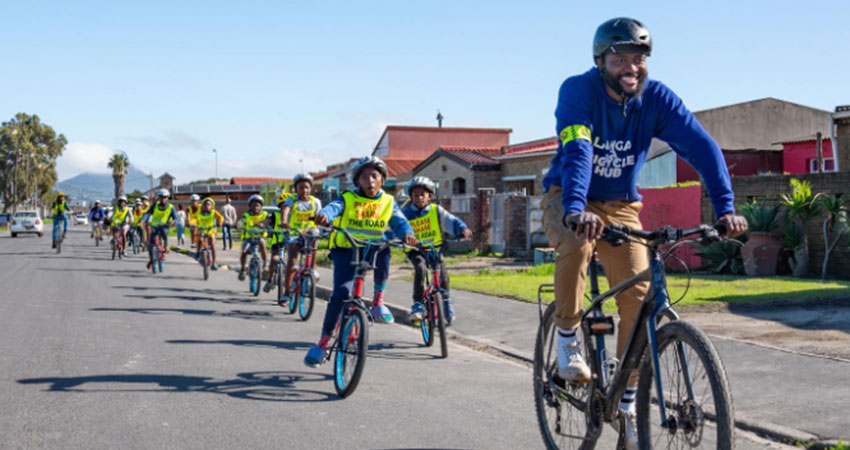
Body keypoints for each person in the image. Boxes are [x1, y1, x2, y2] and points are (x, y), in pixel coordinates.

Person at [540, 17, 748, 448]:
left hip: (620, 205)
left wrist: (726, 208)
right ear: (601, 62)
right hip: (569, 196)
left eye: (638, 58)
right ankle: (566, 340)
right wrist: (576, 209)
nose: (631, 67)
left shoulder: (656, 99)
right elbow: (578, 150)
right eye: (620, 59)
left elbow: (702, 146)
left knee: (638, 298)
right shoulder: (577, 92)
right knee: (577, 243)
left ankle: (628, 401)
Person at [304, 156, 416, 367]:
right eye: (364, 177)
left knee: (385, 249)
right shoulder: (347, 197)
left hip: (371, 249)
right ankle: (324, 342)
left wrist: (407, 233)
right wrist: (324, 215)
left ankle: (378, 302)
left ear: (382, 180)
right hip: (346, 248)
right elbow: (332, 208)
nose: (370, 181)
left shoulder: (388, 202)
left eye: (374, 176)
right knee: (341, 294)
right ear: (357, 181)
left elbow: (400, 222)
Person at [402, 176, 472, 326]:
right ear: (411, 197)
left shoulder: (436, 210)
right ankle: (418, 305)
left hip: (434, 248)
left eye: (423, 194)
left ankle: (446, 305)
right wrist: (401, 238)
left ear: (430, 196)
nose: (419, 197)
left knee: (443, 276)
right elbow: (397, 229)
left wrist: (463, 229)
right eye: (415, 195)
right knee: (420, 269)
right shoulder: (406, 214)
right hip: (416, 250)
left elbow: (451, 221)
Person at [272, 173, 322, 304]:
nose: (304, 190)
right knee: (292, 260)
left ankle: (313, 268)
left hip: (309, 232)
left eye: (306, 187)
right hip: (294, 232)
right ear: (296, 189)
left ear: (311, 188)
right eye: (301, 188)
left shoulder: (315, 202)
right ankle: (287, 293)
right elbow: (286, 210)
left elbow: (320, 216)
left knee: (314, 236)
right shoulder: (292, 200)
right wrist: (284, 221)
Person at [237, 195, 270, 281]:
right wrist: (239, 226)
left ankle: (265, 265)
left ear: (261, 206)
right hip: (249, 238)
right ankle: (243, 269)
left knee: (263, 244)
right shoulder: (247, 215)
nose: (256, 207)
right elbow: (241, 222)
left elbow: (268, 221)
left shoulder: (264, 214)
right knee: (244, 251)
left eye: (258, 205)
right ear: (250, 206)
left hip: (260, 237)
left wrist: (265, 225)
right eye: (254, 205)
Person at [143, 189, 178, 269]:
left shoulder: (171, 207)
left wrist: (173, 222)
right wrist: (144, 219)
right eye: (161, 197)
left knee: (164, 236)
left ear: (168, 198)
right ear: (159, 197)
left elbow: (176, 218)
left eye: (165, 197)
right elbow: (148, 213)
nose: (163, 199)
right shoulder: (155, 205)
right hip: (154, 226)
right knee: (151, 245)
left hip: (164, 227)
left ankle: (166, 247)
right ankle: (152, 260)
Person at [196, 197, 224, 270]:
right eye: (205, 204)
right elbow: (194, 219)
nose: (207, 206)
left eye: (209, 204)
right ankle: (198, 253)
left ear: (212, 206)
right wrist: (191, 223)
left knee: (212, 244)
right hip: (202, 230)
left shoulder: (214, 212)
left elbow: (220, 217)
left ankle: (214, 263)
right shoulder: (199, 213)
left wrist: (220, 222)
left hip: (211, 230)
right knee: (200, 239)